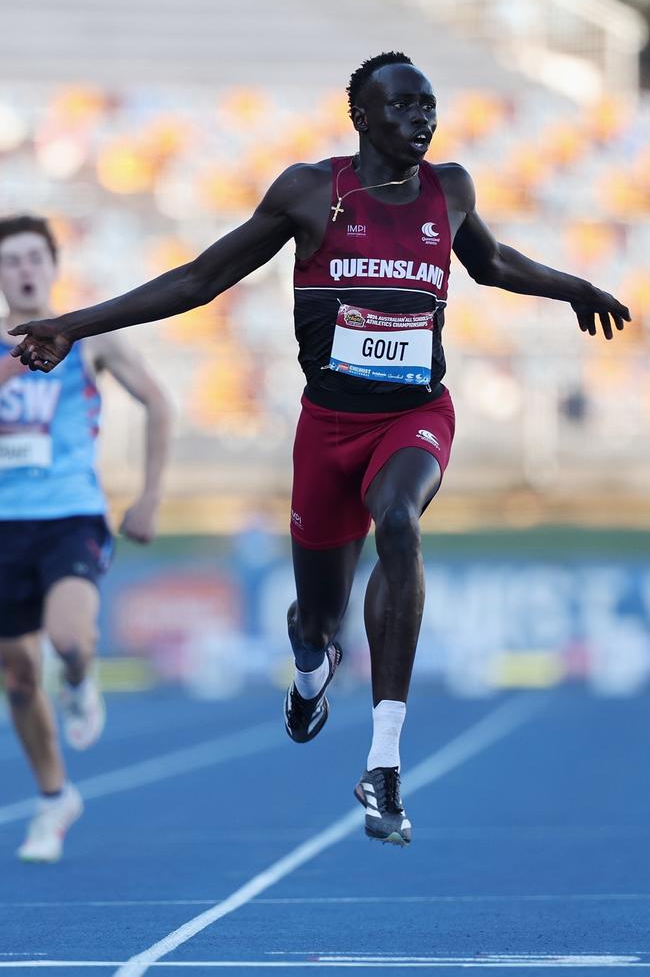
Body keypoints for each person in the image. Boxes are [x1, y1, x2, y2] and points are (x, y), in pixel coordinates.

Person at [10, 54, 630, 847]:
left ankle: (384, 762)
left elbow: (495, 263)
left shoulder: (453, 189)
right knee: (317, 622)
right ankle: (310, 677)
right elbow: (202, 279)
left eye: (430, 106)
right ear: (363, 119)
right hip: (328, 433)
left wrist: (573, 285)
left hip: (414, 417)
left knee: (399, 523)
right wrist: (73, 325)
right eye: (404, 107)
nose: (422, 119)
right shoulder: (311, 192)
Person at [0, 214, 172, 862]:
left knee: (69, 638)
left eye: (32, 259)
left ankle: (78, 675)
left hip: (69, 514)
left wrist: (150, 496)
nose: (22, 270)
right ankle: (52, 800)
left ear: (52, 267)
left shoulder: (87, 338)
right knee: (17, 677)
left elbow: (158, 402)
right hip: (2, 524)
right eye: (9, 260)